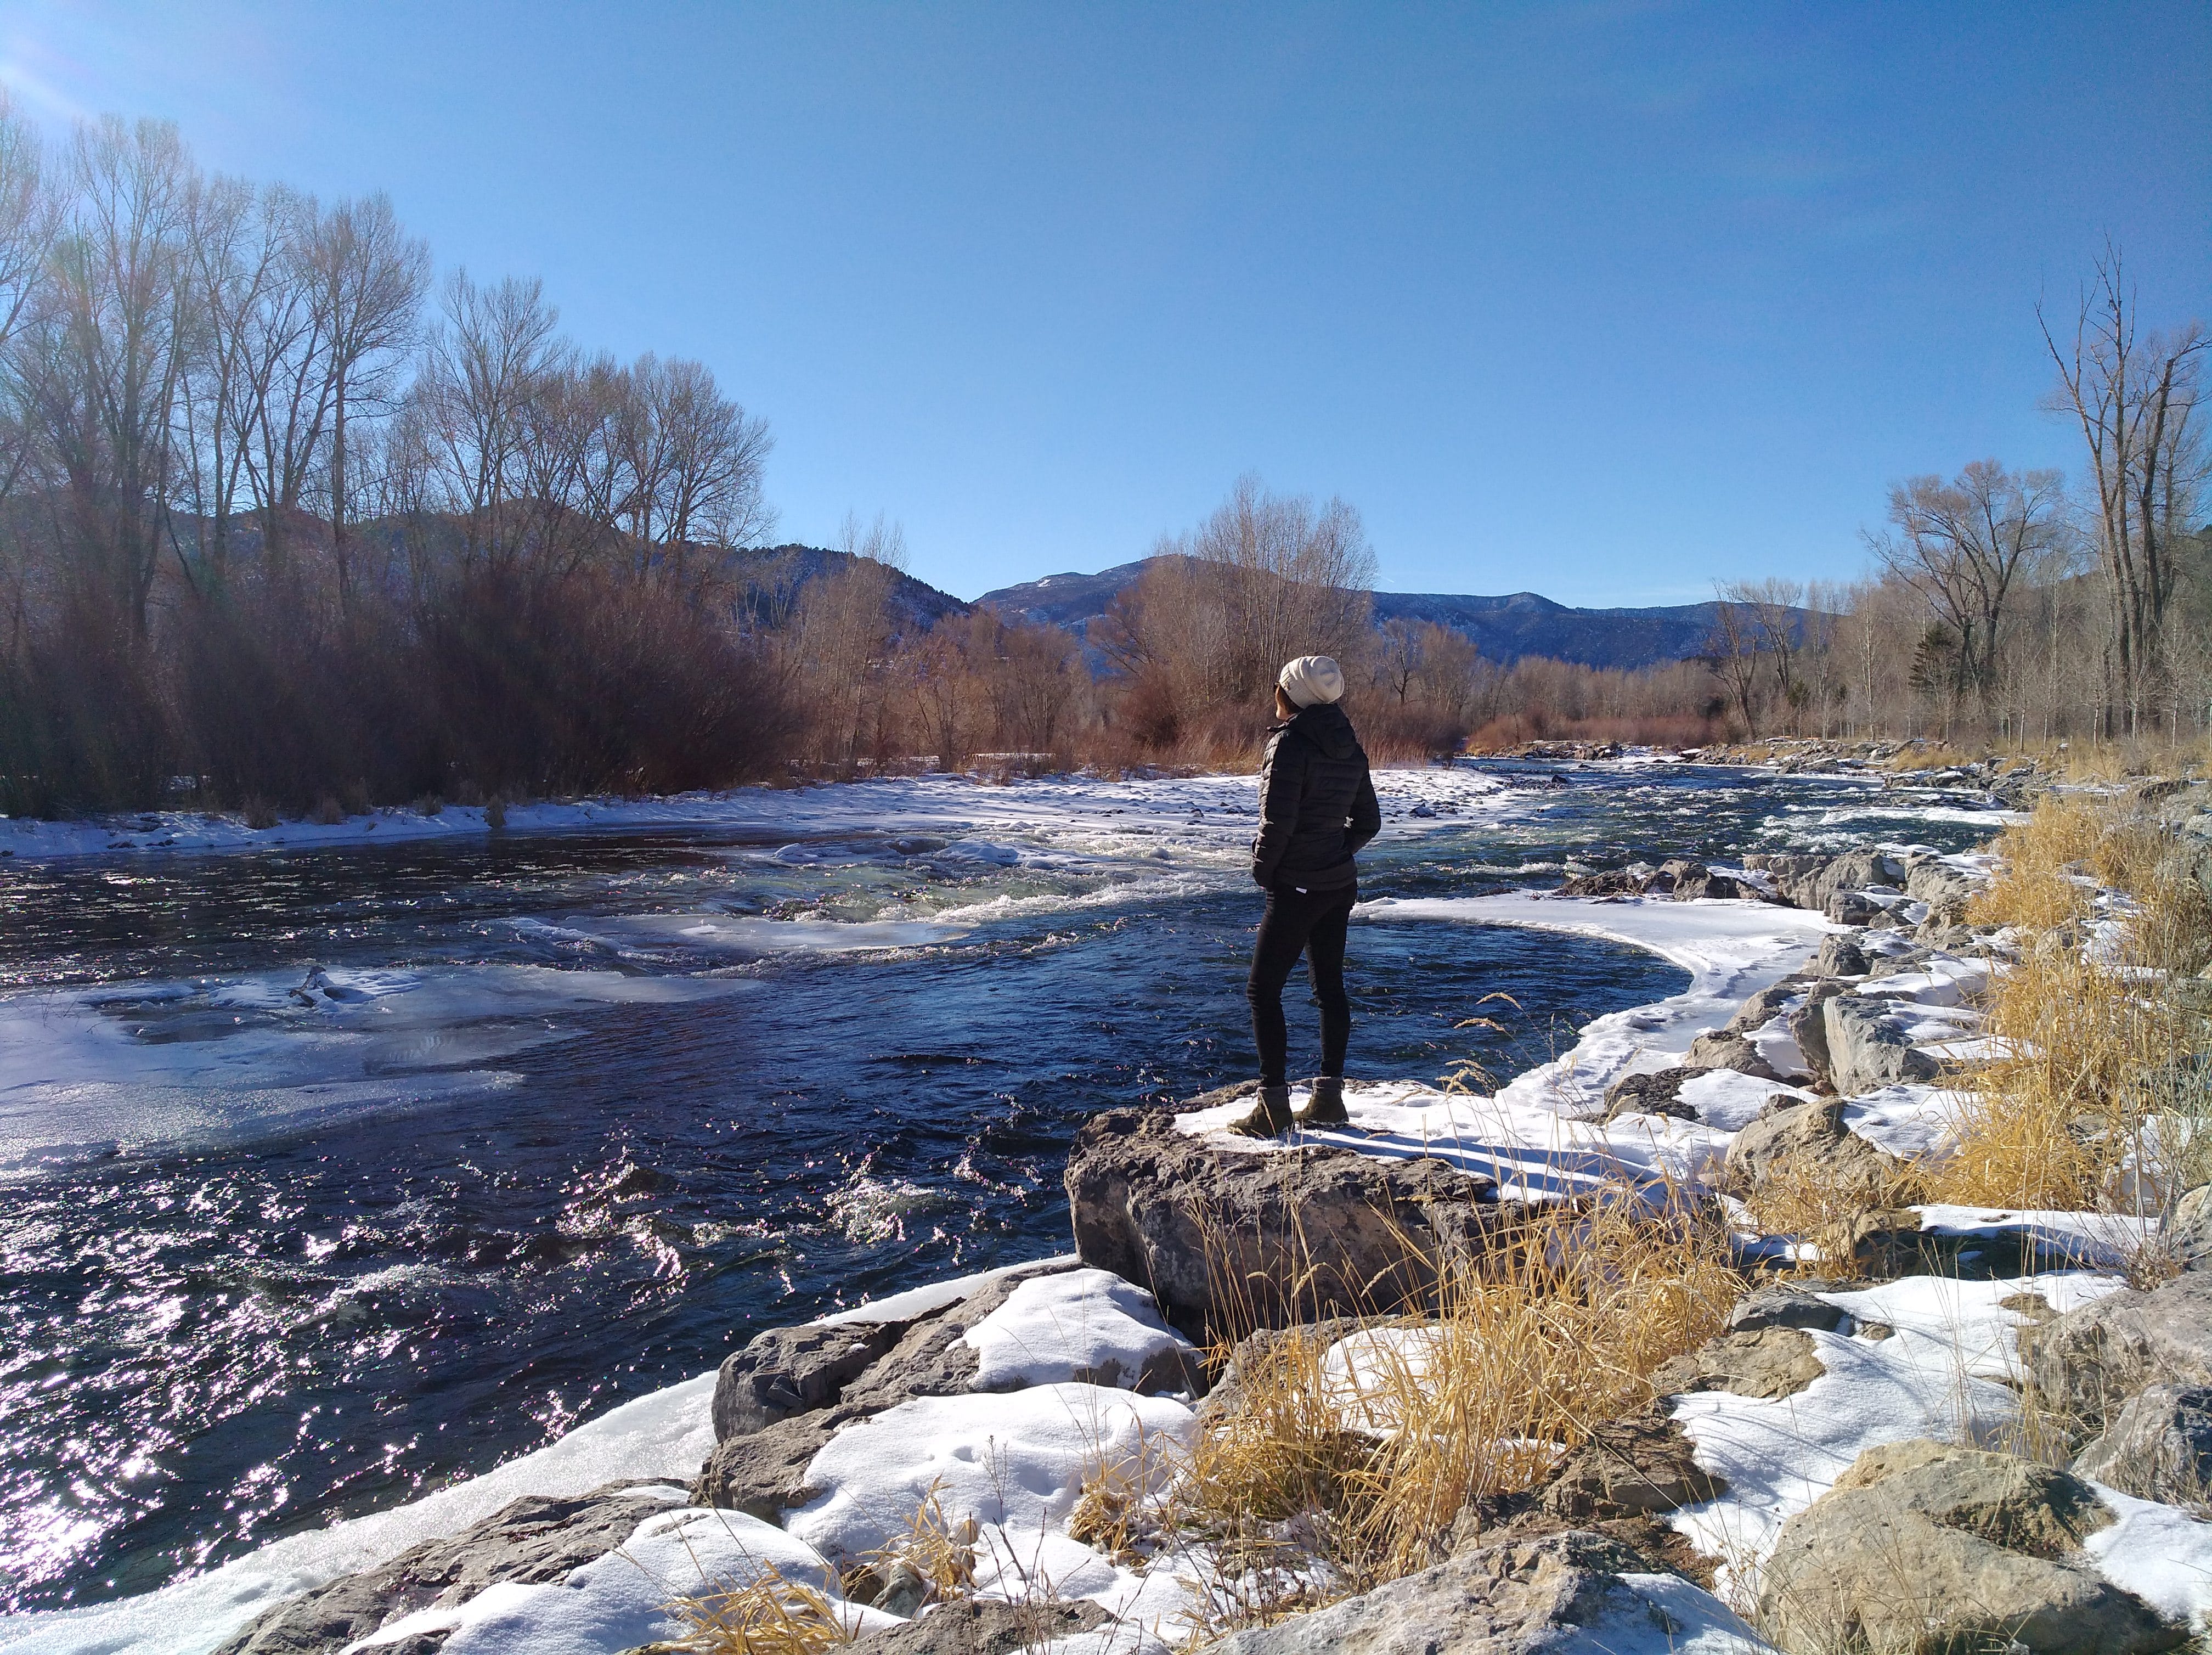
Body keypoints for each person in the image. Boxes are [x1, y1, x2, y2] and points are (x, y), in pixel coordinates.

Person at [1229, 654, 1381, 1137]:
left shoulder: (1290, 744)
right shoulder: (1349, 744)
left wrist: (1264, 871)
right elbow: (1369, 822)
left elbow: (1277, 823)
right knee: (1329, 988)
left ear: (1291, 694)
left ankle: (1272, 1106)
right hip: (1338, 884)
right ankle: (1329, 1100)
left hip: (1297, 883)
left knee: (1262, 990)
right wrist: (1336, 853)